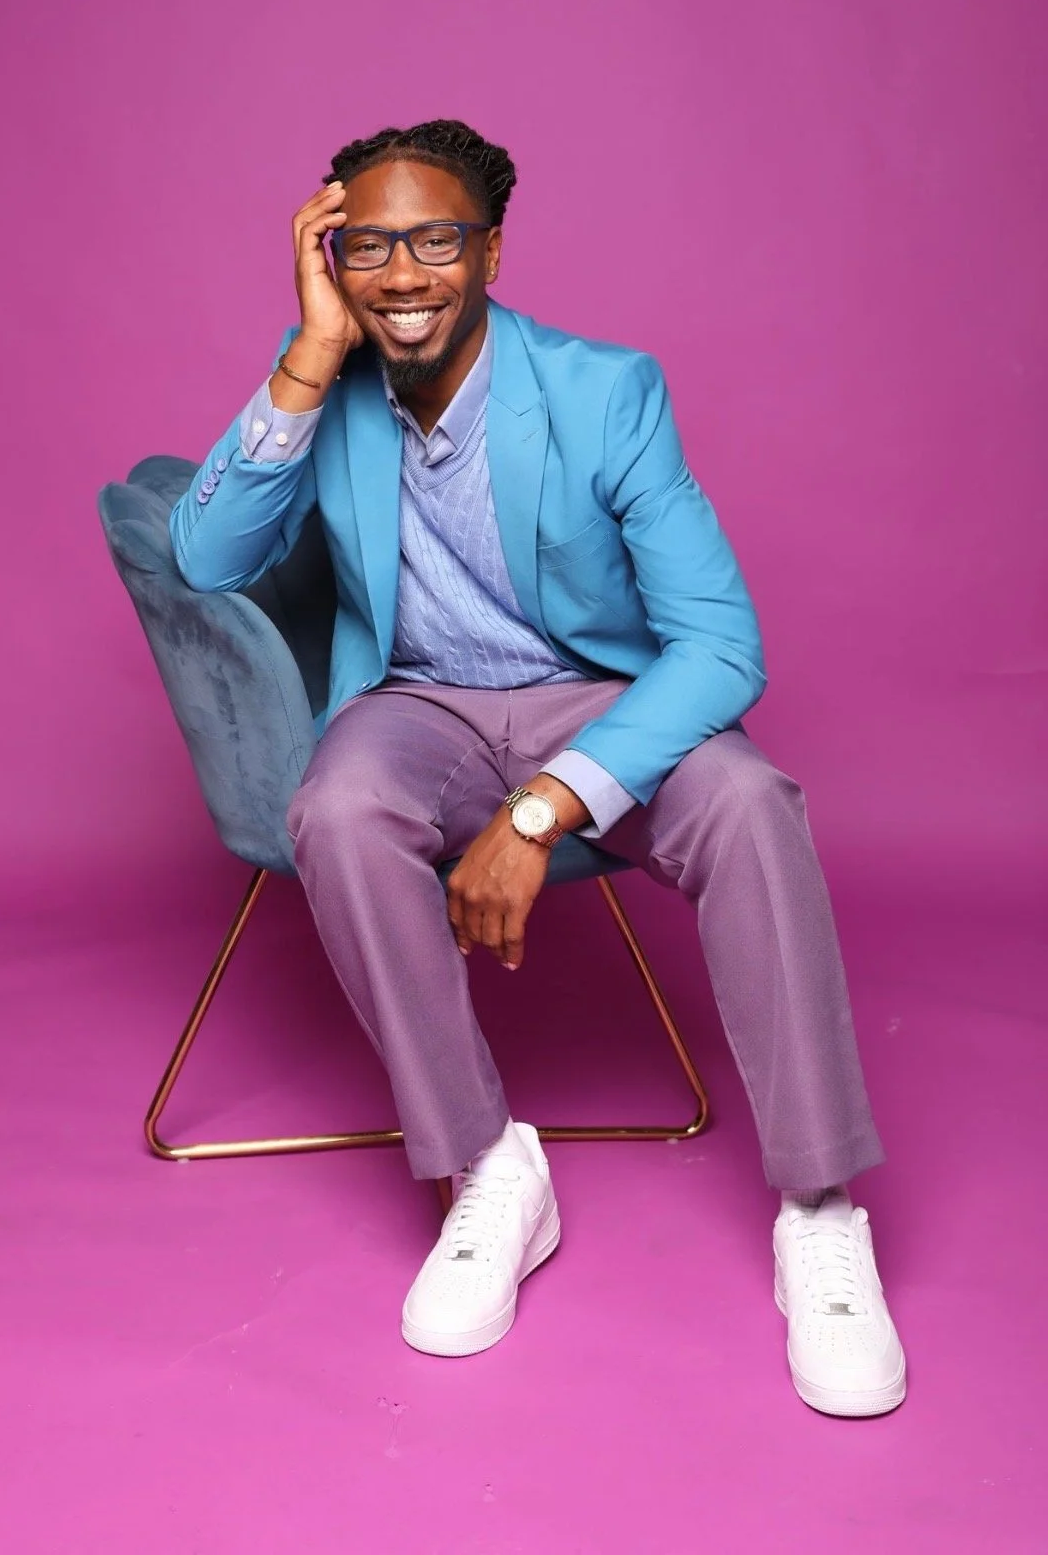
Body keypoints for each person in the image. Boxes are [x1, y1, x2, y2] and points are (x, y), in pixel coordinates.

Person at [170, 119, 906, 1416]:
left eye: (435, 240)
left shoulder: (604, 391)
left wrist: (541, 808)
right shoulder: (327, 380)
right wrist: (312, 348)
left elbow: (721, 644)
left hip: (597, 702)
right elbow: (206, 559)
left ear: (491, 251)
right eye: (367, 245)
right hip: (417, 703)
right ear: (330, 257)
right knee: (337, 808)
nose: (403, 274)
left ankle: (819, 1206)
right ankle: (483, 1165)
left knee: (748, 801)